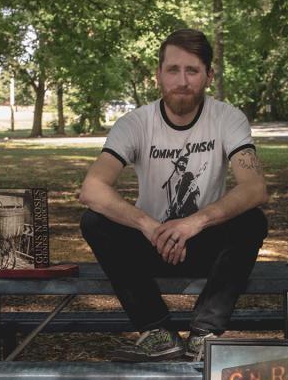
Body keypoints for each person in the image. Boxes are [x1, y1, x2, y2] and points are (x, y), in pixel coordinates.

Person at [79, 28, 268, 361]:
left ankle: (205, 334)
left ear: (209, 75)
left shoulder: (228, 118)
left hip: (205, 241)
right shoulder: (135, 123)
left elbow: (254, 188)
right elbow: (92, 188)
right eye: (173, 70)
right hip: (149, 244)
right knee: (94, 221)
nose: (182, 81)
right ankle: (157, 332)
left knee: (252, 222)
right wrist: (150, 227)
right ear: (158, 75)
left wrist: (194, 223)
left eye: (193, 70)